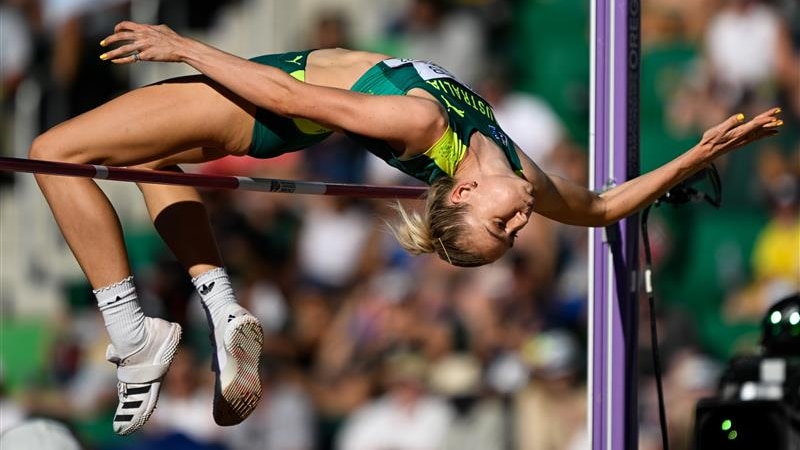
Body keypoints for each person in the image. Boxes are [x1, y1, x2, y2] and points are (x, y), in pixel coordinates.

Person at [28, 20, 782, 435]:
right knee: (153, 167)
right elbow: (602, 207)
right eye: (514, 227)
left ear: (460, 194)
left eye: (503, 226)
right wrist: (696, 155)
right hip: (267, 98)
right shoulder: (516, 164)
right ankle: (220, 306)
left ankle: (130, 332)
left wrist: (187, 46)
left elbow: (287, 92)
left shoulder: (419, 123)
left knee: (52, 152)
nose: (523, 218)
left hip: (258, 96)